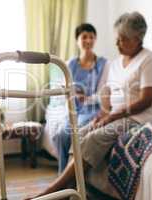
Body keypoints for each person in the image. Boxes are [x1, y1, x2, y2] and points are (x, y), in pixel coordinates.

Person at [26, 11, 152, 199]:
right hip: (118, 114)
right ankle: (73, 186)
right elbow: (107, 92)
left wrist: (112, 116)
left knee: (96, 137)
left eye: (122, 39)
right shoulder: (116, 63)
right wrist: (103, 113)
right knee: (81, 133)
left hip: (139, 116)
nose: (116, 44)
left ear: (137, 38)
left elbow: (145, 100)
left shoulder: (149, 60)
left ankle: (55, 190)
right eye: (117, 39)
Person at [51, 23, 107, 173]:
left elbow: (103, 92)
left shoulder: (103, 64)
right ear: (77, 40)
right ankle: (63, 174)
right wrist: (74, 95)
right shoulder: (70, 64)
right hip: (73, 109)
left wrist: (88, 99)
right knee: (61, 134)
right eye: (84, 37)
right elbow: (65, 89)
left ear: (95, 40)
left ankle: (70, 178)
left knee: (73, 131)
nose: (88, 41)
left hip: (93, 110)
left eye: (91, 37)